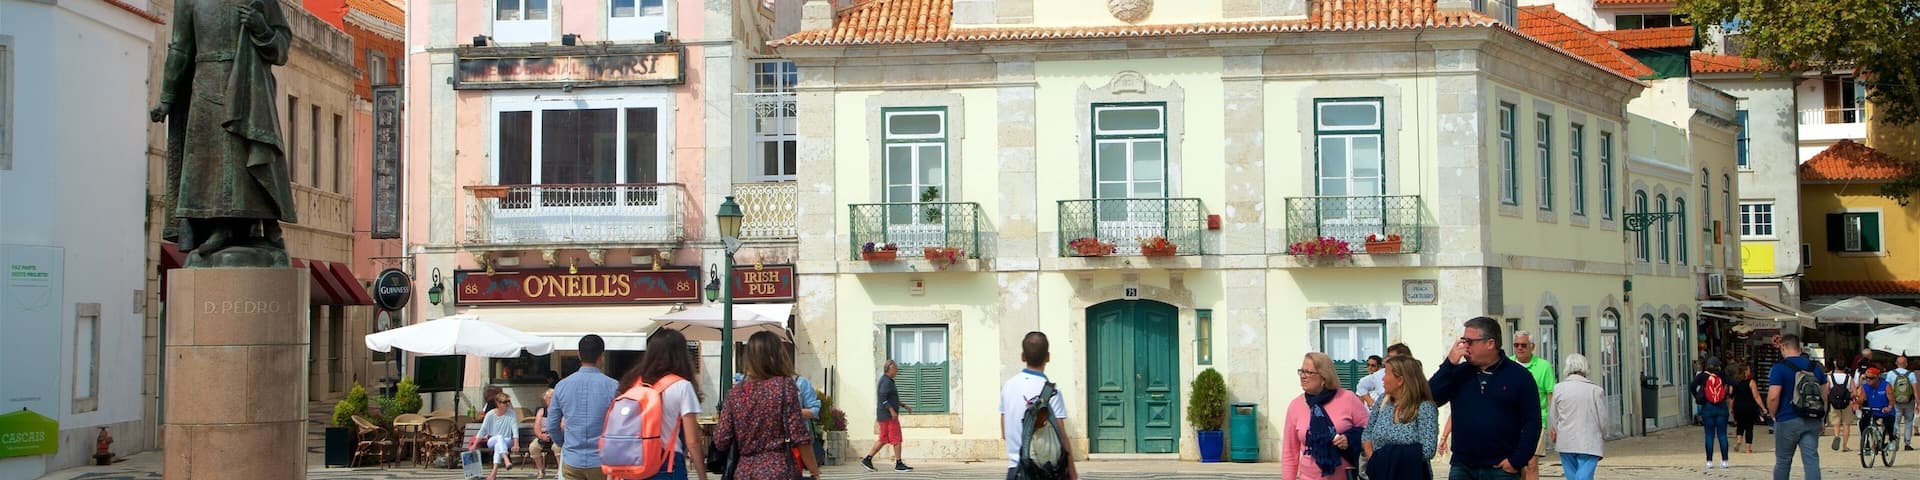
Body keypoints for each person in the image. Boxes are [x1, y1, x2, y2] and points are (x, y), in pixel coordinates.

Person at [1430, 316, 1540, 480]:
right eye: (1463, 341)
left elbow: (1532, 422)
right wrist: (1449, 364)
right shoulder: (1458, 373)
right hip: (1463, 467)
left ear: (1490, 343)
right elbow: (1431, 397)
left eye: (1470, 342)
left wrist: (1517, 461)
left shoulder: (1519, 376)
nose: (1464, 347)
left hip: (1501, 468)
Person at [713, 331, 821, 480]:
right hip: (778, 469)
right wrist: (815, 472)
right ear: (777, 356)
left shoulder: (735, 394)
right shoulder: (784, 386)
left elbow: (721, 440)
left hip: (745, 471)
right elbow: (800, 436)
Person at [614, 328, 708, 480]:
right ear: (681, 355)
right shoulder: (682, 386)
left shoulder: (633, 383)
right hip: (667, 463)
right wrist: (703, 476)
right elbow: (693, 441)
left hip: (633, 461)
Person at [1000, 331, 1076, 480]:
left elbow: (1004, 432)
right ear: (1048, 357)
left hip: (1015, 470)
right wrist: (1072, 471)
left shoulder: (1008, 386)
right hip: (1044, 471)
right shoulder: (1052, 392)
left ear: (1023, 356)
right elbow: (1061, 434)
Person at [1284, 352, 1368, 480]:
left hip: (1343, 475)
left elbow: (1370, 431)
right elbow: (1289, 452)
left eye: (1309, 372)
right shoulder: (1295, 405)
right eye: (1301, 371)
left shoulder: (1348, 398)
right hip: (1308, 476)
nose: (1303, 376)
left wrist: (1350, 438)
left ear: (1324, 377)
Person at [549, 334, 620, 480]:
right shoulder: (614, 387)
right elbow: (620, 425)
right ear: (602, 356)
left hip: (572, 458)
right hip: (602, 459)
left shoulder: (561, 386)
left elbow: (551, 425)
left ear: (579, 355)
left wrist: (564, 443)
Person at [1361, 355, 1436, 479]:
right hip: (1380, 474)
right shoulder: (1382, 401)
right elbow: (1367, 433)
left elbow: (1428, 449)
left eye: (1386, 373)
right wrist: (1374, 460)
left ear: (1400, 380)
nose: (1383, 378)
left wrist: (1391, 460)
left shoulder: (1424, 408)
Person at [1768, 334, 1827, 480]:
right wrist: (1822, 418)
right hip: (1812, 418)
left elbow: (1773, 396)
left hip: (1787, 418)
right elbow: (1824, 395)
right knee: (1811, 460)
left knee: (1783, 460)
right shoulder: (1816, 367)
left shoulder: (1779, 368)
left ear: (1783, 347)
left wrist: (1773, 414)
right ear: (1799, 348)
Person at [1550, 354, 1606, 480]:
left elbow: (1553, 415)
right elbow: (1602, 419)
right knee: (1584, 476)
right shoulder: (1595, 390)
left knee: (1572, 476)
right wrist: (1603, 434)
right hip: (1589, 441)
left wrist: (1555, 430)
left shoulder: (1559, 389)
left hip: (1566, 440)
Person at [1509, 331, 1554, 480]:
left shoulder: (1544, 366)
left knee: (1531, 462)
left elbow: (1550, 395)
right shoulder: (1507, 364)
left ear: (1532, 347)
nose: (1519, 348)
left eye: (1523, 345)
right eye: (1516, 345)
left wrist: (1552, 423)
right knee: (1516, 463)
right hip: (1511, 421)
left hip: (1536, 421)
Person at [861, 359, 913, 472]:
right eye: (895, 369)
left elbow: (891, 398)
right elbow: (883, 398)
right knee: (897, 438)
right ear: (889, 369)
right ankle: (899, 464)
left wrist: (904, 405)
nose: (897, 371)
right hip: (888, 416)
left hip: (884, 416)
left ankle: (867, 459)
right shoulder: (886, 381)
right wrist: (892, 411)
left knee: (883, 439)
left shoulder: (887, 380)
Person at [1692, 357, 1730, 468]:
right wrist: (1729, 395)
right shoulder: (1722, 375)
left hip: (1708, 407)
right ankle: (1725, 461)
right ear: (1718, 366)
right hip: (1721, 407)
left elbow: (1692, 386)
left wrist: (1698, 397)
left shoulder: (1702, 376)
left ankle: (1709, 461)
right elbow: (1735, 384)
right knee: (1722, 435)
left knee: (1709, 435)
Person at [471, 393, 519, 480]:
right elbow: (483, 430)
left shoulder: (511, 413)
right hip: (492, 440)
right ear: (498, 403)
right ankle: (505, 458)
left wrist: (516, 444)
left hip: (507, 440)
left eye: (509, 401)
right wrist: (475, 444)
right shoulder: (490, 414)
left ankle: (493, 473)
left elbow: (515, 430)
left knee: (498, 445)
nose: (507, 404)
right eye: (505, 402)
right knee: (499, 437)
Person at [1857, 367, 1898, 452]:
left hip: (1885, 410)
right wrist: (1857, 404)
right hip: (1873, 410)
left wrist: (1889, 407)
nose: (1868, 380)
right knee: (1863, 423)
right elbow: (1862, 398)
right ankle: (1866, 443)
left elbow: (1891, 399)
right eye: (1866, 378)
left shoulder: (1886, 385)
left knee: (1889, 424)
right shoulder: (1865, 387)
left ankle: (1891, 439)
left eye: (1871, 378)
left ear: (1877, 377)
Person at [1729, 362, 1767, 454]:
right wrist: (1763, 407)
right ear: (1746, 371)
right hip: (1749, 407)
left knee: (1740, 425)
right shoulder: (1751, 382)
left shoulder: (1734, 382)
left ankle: (1738, 441)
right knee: (1749, 427)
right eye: (1749, 369)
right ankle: (1748, 448)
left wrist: (1731, 408)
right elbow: (1756, 396)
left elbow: (1731, 397)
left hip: (1738, 407)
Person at [1888, 355, 1917, 451]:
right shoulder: (1911, 374)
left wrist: (1888, 402)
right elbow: (1915, 389)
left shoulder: (1891, 374)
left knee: (1896, 422)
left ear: (1896, 363)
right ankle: (1907, 443)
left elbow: (1888, 389)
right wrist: (1918, 403)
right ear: (1906, 364)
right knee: (1909, 421)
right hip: (1909, 401)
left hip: (1895, 401)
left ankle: (1895, 442)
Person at [1827, 357, 1855, 452]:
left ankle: (1836, 435)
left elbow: (1827, 390)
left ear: (1836, 365)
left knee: (1836, 422)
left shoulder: (1830, 377)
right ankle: (1845, 446)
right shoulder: (1849, 377)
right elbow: (1854, 392)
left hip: (1834, 402)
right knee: (1846, 424)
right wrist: (1849, 395)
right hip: (1846, 403)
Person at [531, 389, 556, 478]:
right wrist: (541, 436)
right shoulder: (541, 411)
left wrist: (553, 434)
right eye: (548, 398)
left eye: (552, 397)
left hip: (556, 436)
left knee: (558, 448)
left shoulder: (561, 410)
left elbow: (562, 425)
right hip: (543, 435)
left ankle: (560, 471)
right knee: (533, 447)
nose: (550, 399)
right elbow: (536, 426)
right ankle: (540, 470)